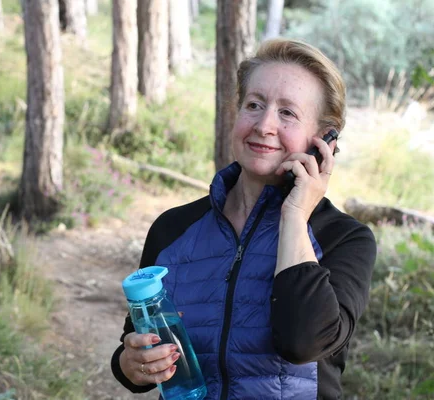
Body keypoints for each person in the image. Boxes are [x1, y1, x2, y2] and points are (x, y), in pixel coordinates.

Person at [110, 39, 377, 400]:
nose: (264, 125)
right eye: (254, 105)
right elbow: (135, 348)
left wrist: (295, 216)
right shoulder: (172, 230)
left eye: (288, 113)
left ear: (323, 140)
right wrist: (132, 364)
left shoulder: (343, 239)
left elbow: (303, 344)